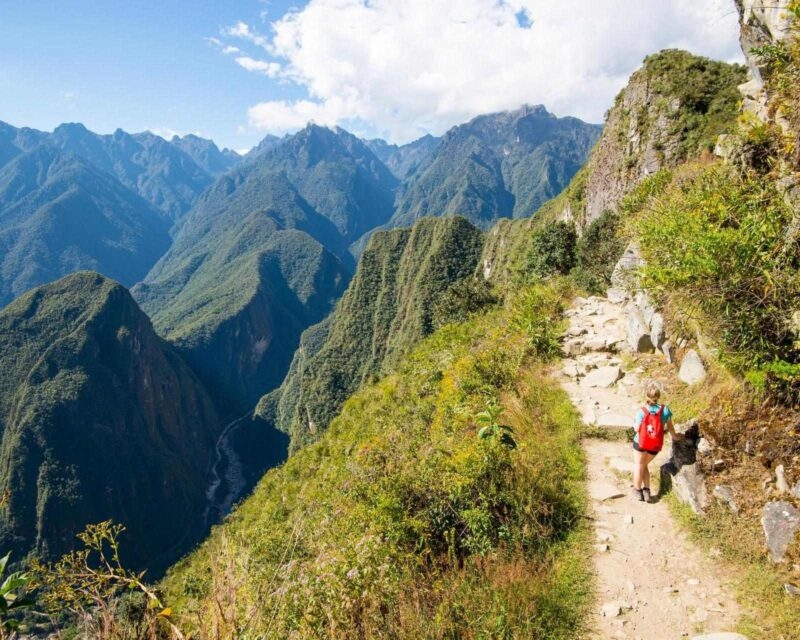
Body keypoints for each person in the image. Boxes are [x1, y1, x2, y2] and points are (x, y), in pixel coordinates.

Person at [632, 381, 681, 502]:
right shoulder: (665, 410)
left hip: (641, 443)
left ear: (646, 396)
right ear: (658, 396)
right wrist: (676, 437)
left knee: (639, 465)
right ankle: (647, 491)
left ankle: (637, 491)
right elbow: (670, 427)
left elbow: (636, 429)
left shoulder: (642, 411)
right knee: (644, 465)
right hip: (655, 445)